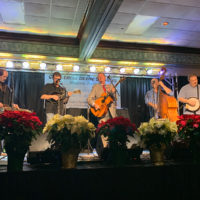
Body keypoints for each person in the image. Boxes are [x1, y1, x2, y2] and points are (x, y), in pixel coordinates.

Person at [88, 73, 117, 153]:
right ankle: (105, 151)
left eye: (102, 76)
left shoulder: (110, 86)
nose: (100, 78)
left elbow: (115, 98)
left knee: (113, 131)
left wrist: (113, 92)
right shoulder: (96, 87)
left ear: (105, 77)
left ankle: (113, 149)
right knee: (104, 130)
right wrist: (95, 104)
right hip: (101, 112)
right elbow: (89, 99)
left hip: (111, 112)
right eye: (99, 77)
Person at [0, 69, 19, 154]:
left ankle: (3, 150)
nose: (5, 78)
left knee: (3, 131)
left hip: (4, 113)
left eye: (6, 77)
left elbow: (8, 102)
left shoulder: (7, 88)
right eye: (4, 76)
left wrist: (13, 105)